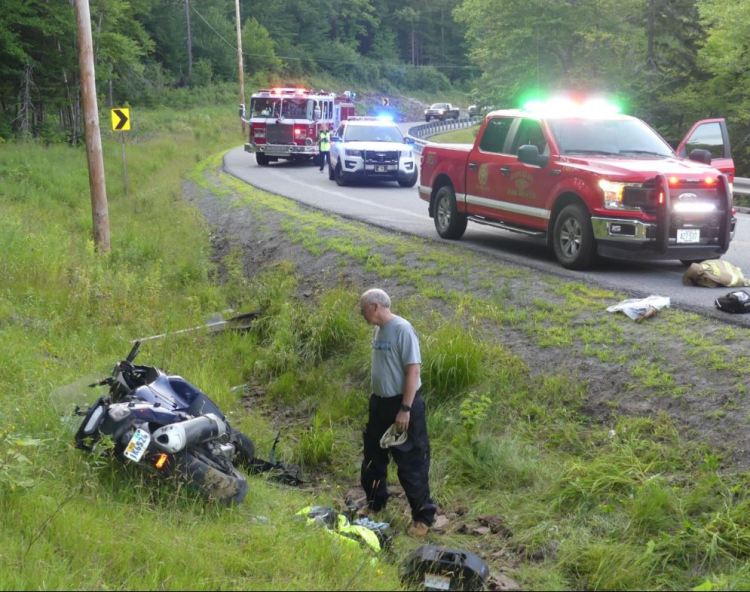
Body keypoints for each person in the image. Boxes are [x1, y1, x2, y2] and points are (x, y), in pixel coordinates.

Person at [358, 288, 437, 537]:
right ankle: (375, 504)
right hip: (379, 404)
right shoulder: (378, 331)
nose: (361, 313)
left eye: (363, 309)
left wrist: (405, 409)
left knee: (411, 461)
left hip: (402, 405)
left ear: (375, 306)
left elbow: (413, 371)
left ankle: (422, 518)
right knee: (373, 458)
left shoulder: (403, 329)